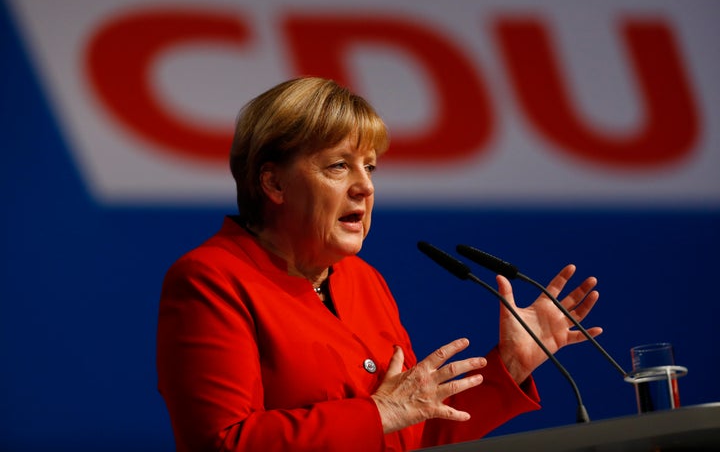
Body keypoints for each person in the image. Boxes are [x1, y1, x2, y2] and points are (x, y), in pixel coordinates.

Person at [156, 77, 602, 451]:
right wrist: (377, 413)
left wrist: (511, 365)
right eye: (338, 166)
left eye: (370, 168)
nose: (364, 187)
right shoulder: (212, 279)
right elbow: (221, 442)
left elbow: (413, 435)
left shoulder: (363, 282)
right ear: (273, 182)